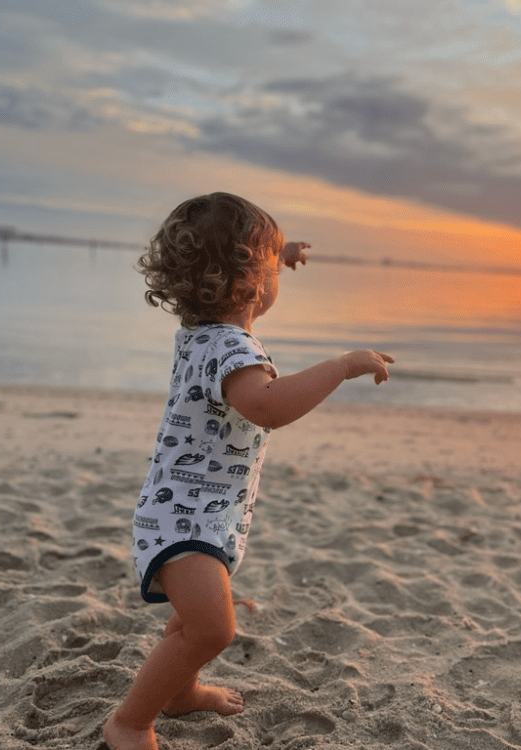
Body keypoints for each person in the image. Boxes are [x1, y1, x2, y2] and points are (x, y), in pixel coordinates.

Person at [104, 192, 393, 750]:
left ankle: (180, 692)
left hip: (195, 511)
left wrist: (277, 253)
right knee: (214, 628)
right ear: (249, 283)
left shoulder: (199, 330)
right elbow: (267, 406)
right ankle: (130, 722)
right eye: (267, 262)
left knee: (193, 623)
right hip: (184, 521)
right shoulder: (234, 348)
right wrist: (340, 366)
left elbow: (226, 273)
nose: (275, 271)